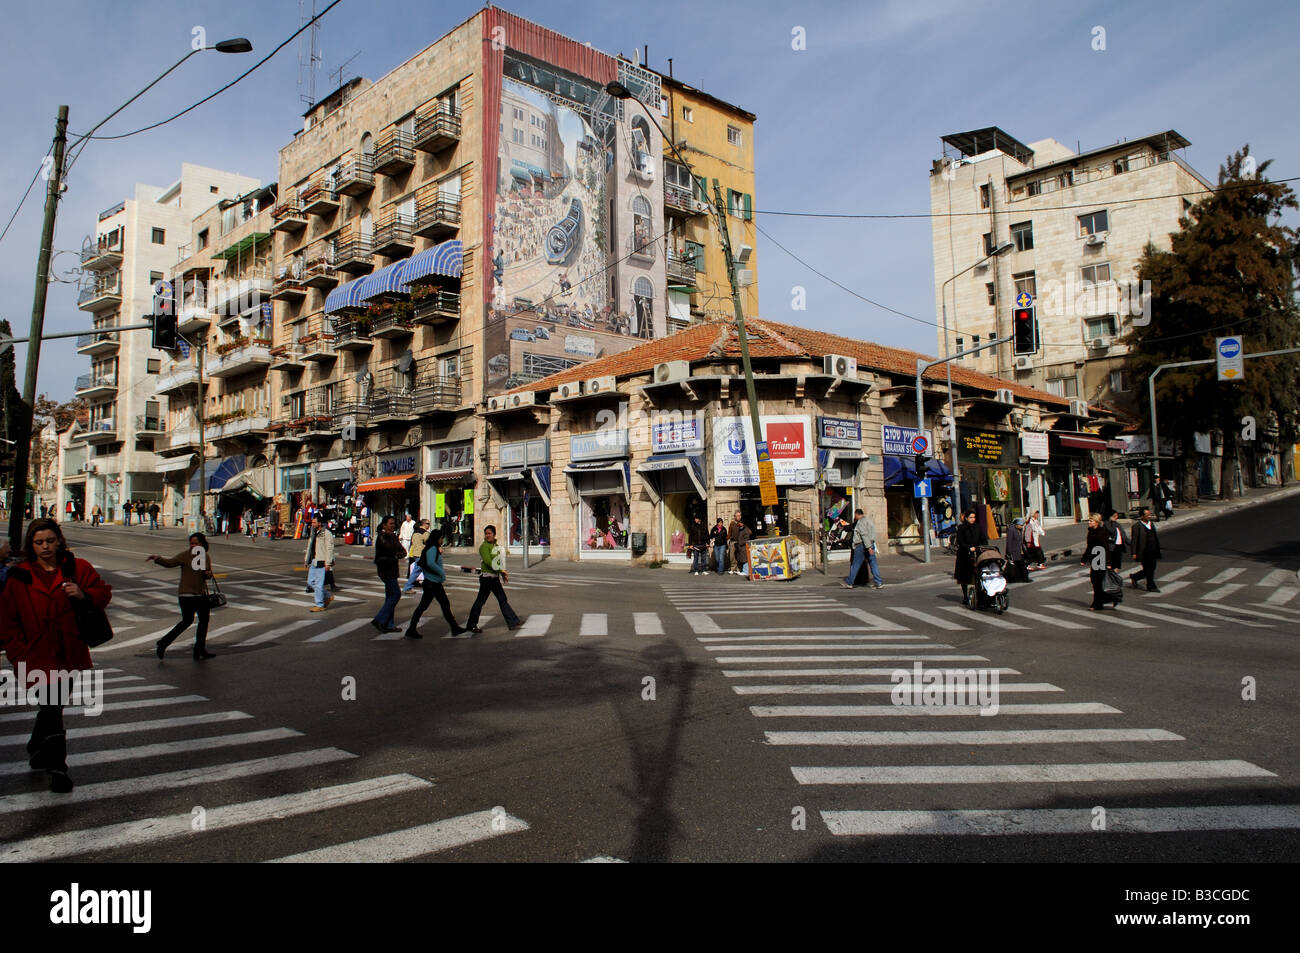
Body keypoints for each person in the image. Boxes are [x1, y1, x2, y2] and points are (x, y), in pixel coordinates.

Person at [0, 518, 112, 792]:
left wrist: (83, 594)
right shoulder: (20, 576)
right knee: (52, 707)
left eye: (50, 540)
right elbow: (6, 620)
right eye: (39, 542)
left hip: (68, 652)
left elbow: (103, 593)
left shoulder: (77, 568)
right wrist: (17, 653)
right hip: (34, 655)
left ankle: (37, 746)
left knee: (53, 707)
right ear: (31, 545)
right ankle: (58, 769)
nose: (45, 546)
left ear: (59, 540)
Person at [148, 533, 217, 659]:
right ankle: (163, 643)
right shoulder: (185, 555)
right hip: (186, 595)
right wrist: (158, 559)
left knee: (203, 621)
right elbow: (170, 563)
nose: (193, 545)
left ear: (202, 544)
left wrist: (208, 574)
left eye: (196, 543)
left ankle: (199, 649)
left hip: (200, 595)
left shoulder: (204, 556)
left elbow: (205, 574)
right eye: (191, 543)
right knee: (187, 621)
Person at [405, 529, 466, 639]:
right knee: (444, 605)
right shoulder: (432, 548)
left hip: (431, 582)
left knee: (425, 606)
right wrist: (441, 572)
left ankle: (411, 628)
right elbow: (431, 563)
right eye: (441, 538)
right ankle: (454, 628)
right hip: (433, 583)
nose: (442, 540)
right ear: (437, 538)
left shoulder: (430, 548)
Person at [465, 525, 523, 632]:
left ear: (494, 534)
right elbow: (489, 562)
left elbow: (498, 562)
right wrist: (501, 571)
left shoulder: (495, 546)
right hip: (487, 579)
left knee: (501, 599)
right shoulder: (484, 547)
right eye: (486, 533)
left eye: (489, 533)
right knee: (482, 601)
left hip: (494, 578)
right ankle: (471, 624)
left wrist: (502, 574)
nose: (487, 535)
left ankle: (513, 621)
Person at [371, 515, 405, 633]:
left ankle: (389, 624)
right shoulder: (382, 537)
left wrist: (397, 554)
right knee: (396, 595)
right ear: (384, 525)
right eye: (390, 523)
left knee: (390, 597)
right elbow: (390, 550)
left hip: (392, 569)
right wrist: (395, 554)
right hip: (386, 569)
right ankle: (380, 619)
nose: (393, 525)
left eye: (393, 523)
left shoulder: (392, 536)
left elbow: (403, 551)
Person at [842, 508, 884, 590]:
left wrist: (868, 547)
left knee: (856, 564)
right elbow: (873, 534)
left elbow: (864, 535)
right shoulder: (870, 521)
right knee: (873, 564)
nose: (855, 517)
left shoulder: (860, 522)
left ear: (857, 514)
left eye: (855, 515)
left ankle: (850, 582)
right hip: (871, 544)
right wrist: (871, 545)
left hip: (861, 545)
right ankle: (879, 583)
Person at [303, 515, 335, 612]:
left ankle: (320, 604)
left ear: (319, 523)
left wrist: (328, 563)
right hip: (314, 560)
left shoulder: (326, 534)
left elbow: (330, 549)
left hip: (322, 561)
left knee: (319, 584)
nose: (312, 524)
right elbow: (310, 546)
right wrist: (306, 560)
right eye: (312, 522)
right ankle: (327, 596)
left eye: (314, 522)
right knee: (310, 582)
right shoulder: (313, 533)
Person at [953, 509, 987, 604]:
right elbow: (960, 541)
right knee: (963, 577)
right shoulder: (961, 528)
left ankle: (979, 595)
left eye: (974, 517)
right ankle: (965, 596)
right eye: (971, 517)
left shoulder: (978, 527)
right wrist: (968, 547)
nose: (973, 519)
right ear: (966, 518)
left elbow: (983, 539)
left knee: (977, 575)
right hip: (964, 555)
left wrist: (983, 547)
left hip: (977, 553)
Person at [1081, 512, 1112, 611]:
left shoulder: (1101, 532)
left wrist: (1108, 562)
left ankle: (1097, 603)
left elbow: (1105, 547)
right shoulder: (1091, 531)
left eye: (1091, 521)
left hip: (1100, 559)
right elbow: (1089, 546)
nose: (1089, 522)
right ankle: (1102, 600)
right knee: (1095, 581)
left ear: (1096, 522)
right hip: (1093, 559)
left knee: (1097, 582)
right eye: (1089, 520)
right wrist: (1084, 559)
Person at [1129, 507, 1162, 592]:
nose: (1149, 516)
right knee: (1148, 568)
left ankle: (1135, 577)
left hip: (1153, 550)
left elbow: (1155, 537)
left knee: (1152, 568)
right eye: (1147, 515)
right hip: (1144, 552)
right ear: (1142, 516)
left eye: (1149, 514)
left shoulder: (1151, 524)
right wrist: (1134, 552)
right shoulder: (1137, 526)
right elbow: (1134, 540)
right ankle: (1151, 586)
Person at [402, 519, 431, 593]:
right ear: (424, 524)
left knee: (425, 570)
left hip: (415, 553)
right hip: (422, 554)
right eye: (428, 523)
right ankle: (407, 587)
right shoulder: (425, 533)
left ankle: (429, 585)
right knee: (417, 571)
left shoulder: (415, 532)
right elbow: (429, 542)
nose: (429, 525)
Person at [727, 510, 747, 575]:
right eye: (737, 516)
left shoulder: (742, 524)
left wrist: (743, 527)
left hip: (739, 542)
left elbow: (748, 531)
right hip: (733, 542)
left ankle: (738, 569)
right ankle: (733, 568)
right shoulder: (732, 523)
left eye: (739, 516)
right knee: (732, 556)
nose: (739, 517)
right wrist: (728, 540)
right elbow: (729, 533)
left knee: (739, 556)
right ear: (734, 517)